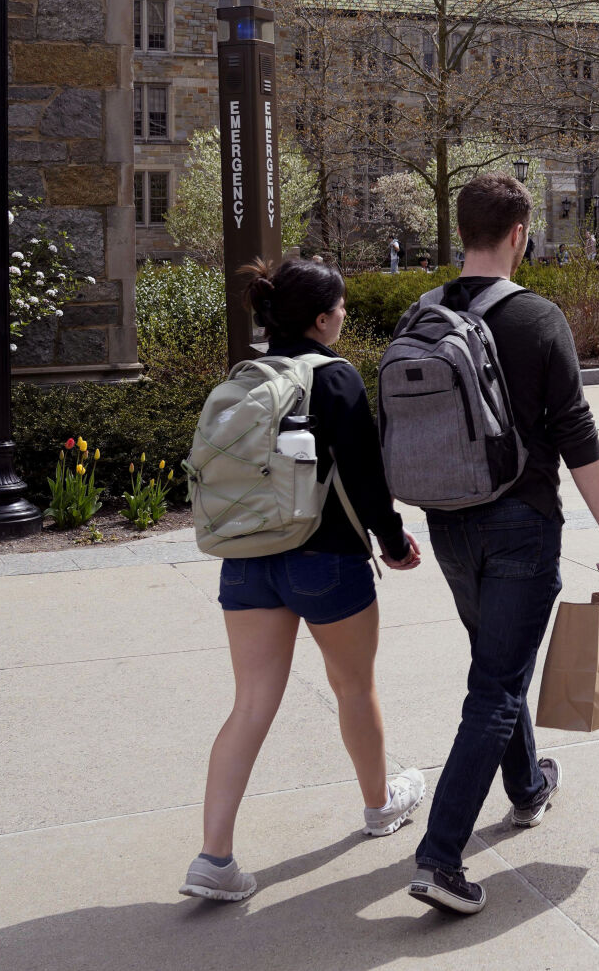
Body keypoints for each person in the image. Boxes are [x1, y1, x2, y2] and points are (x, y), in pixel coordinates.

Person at [409, 174, 599, 917]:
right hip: (521, 522)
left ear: (462, 230)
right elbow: (575, 432)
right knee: (496, 686)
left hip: (446, 520)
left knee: (496, 662)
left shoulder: (423, 311)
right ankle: (440, 856)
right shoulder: (536, 316)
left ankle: (528, 786)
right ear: (517, 236)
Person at [179, 258, 426, 905]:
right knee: (353, 686)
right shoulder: (335, 377)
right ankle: (379, 805)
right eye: (339, 309)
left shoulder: (247, 375)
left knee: (250, 703)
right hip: (325, 558)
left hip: (246, 557)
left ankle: (214, 856)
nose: (343, 316)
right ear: (321, 319)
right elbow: (368, 482)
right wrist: (394, 544)